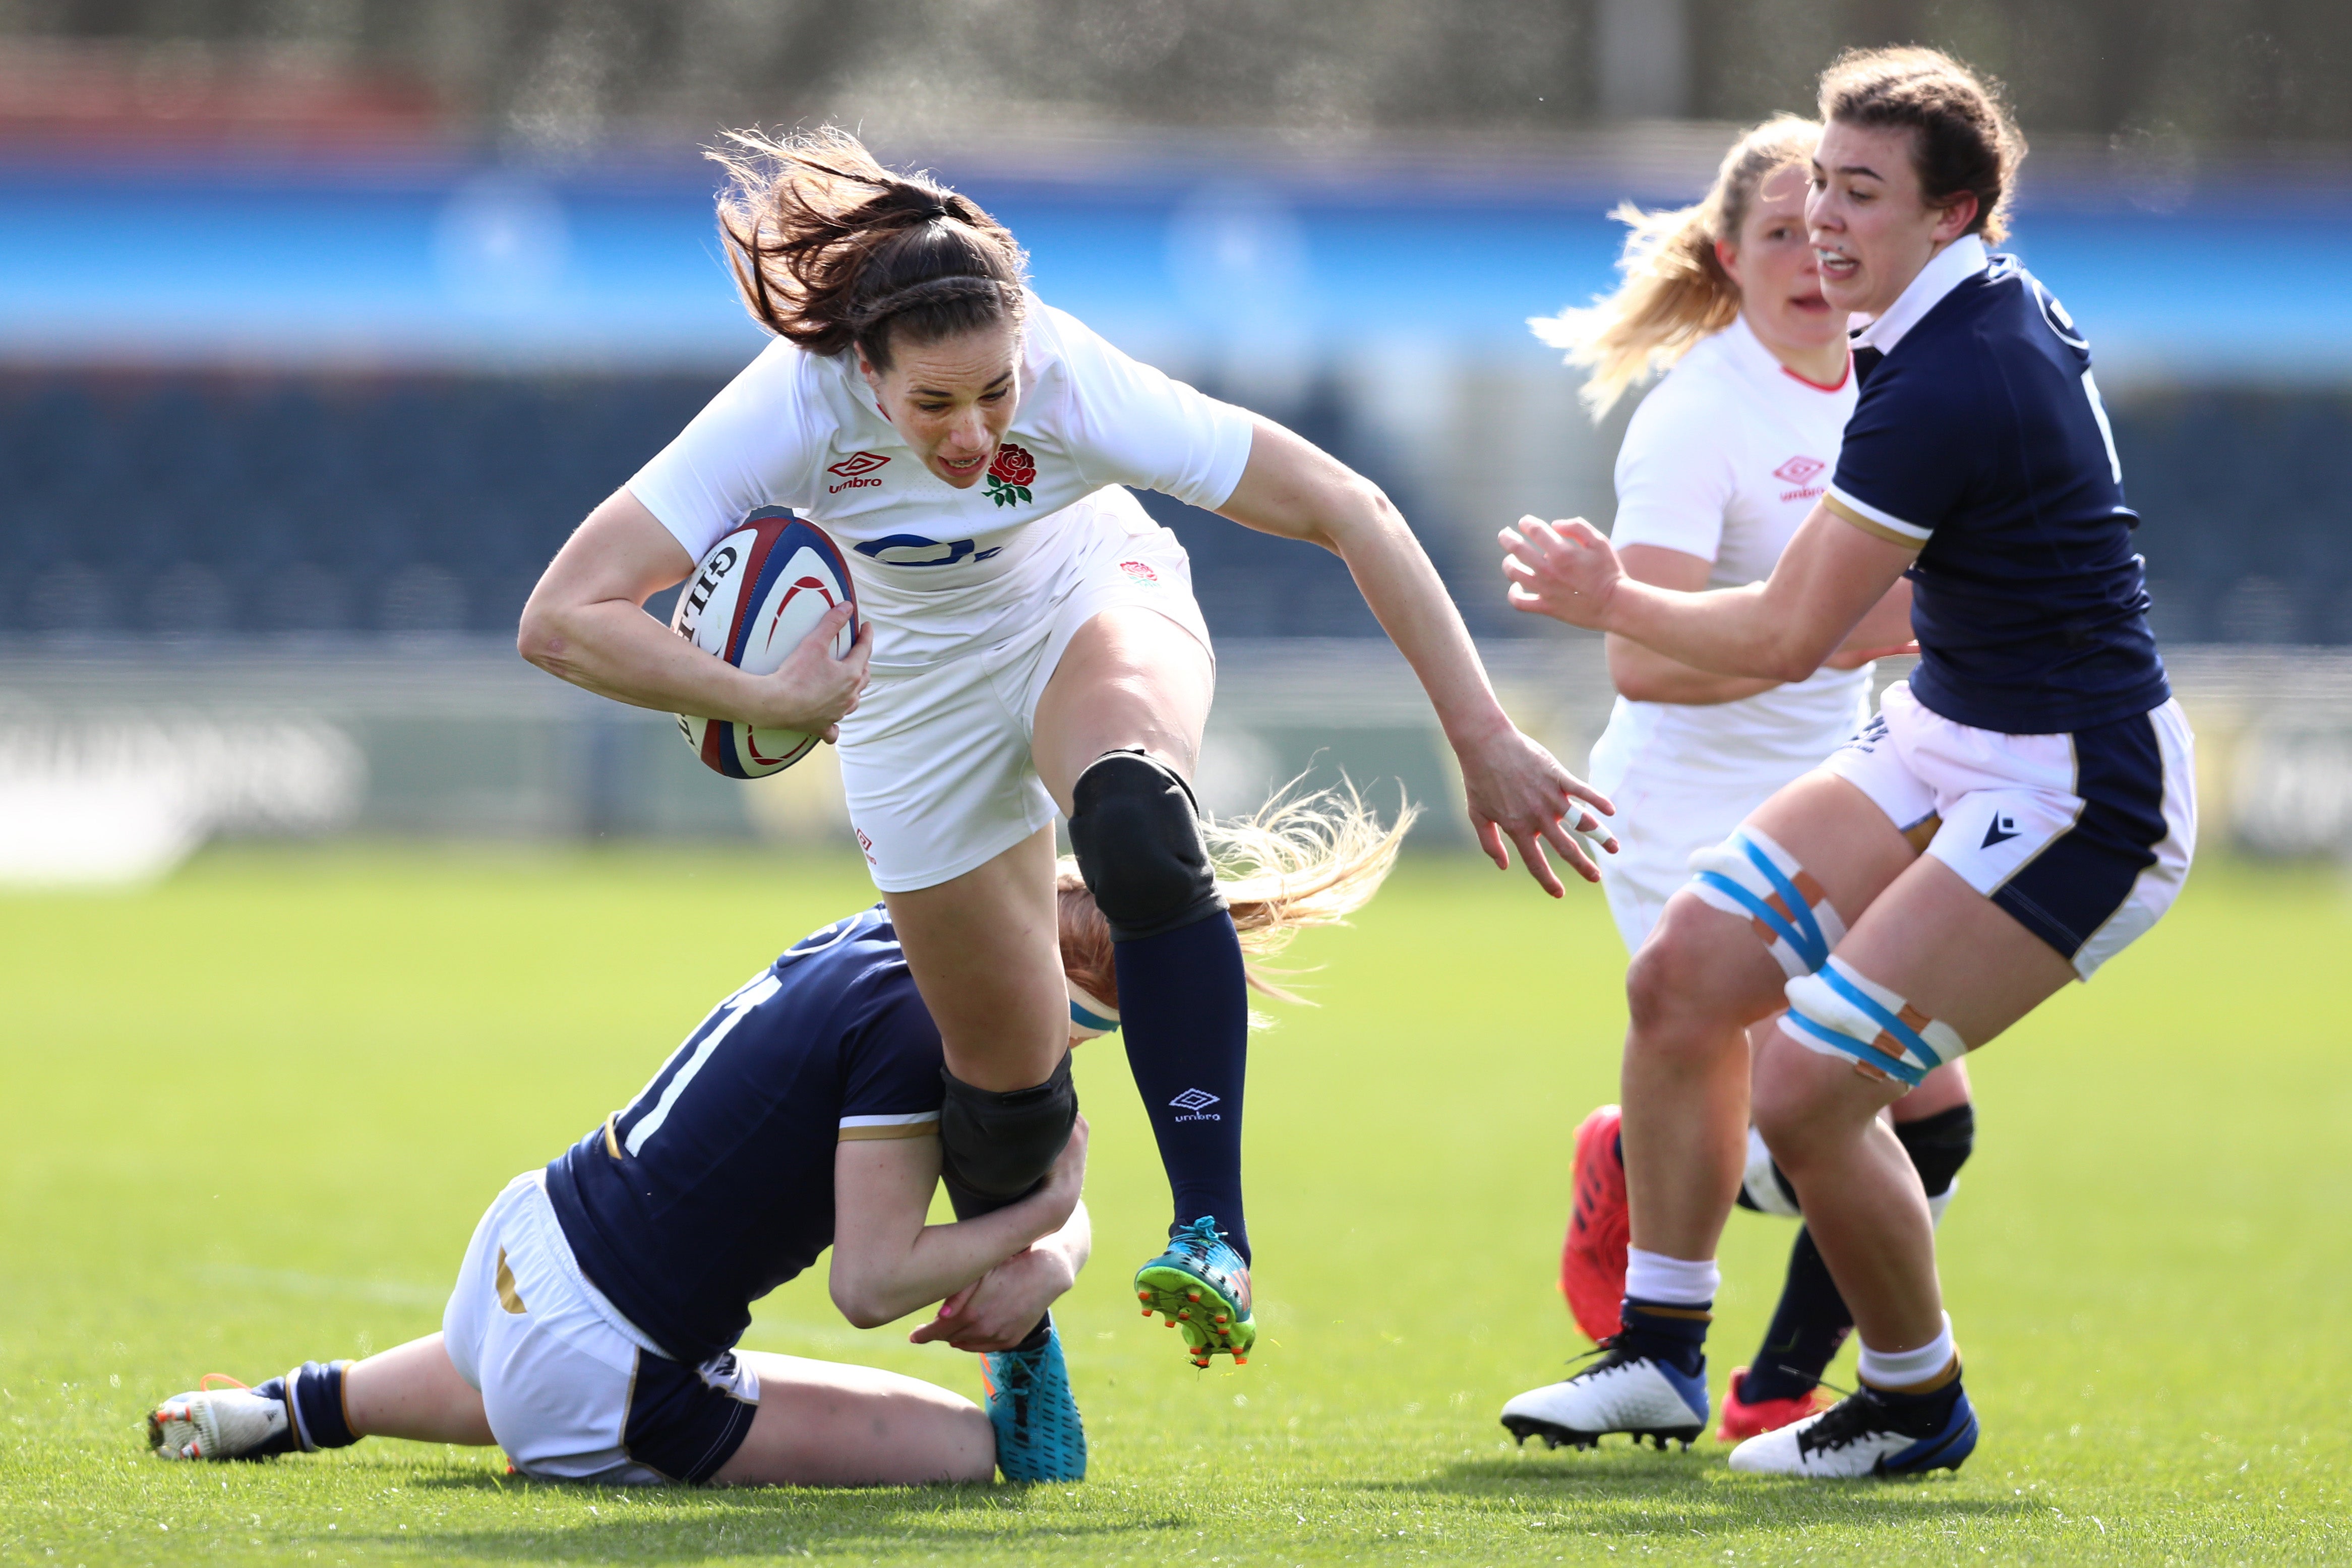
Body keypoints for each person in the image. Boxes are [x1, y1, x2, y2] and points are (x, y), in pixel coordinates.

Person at [514, 128, 1609, 1369]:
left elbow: (1346, 507)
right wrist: (764, 697)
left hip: (1083, 600)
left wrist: (1481, 735)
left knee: (1138, 822)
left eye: (996, 389)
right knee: (1004, 1087)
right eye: (933, 403)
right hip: (904, 697)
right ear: (860, 369)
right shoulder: (786, 405)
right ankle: (1023, 1326)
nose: (976, 430)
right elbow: (561, 620)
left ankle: (1212, 1232)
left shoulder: (1080, 385)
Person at [1495, 46, 2193, 1478]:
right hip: (1948, 734)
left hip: (2073, 789)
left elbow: (1786, 629)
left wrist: (1605, 594)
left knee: (1815, 1092)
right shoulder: (1936, 318)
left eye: (1860, 192)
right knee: (1683, 976)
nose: (1826, 218)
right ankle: (1660, 1351)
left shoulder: (1952, 369)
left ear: (1954, 215)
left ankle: (1910, 1402)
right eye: (1819, 182)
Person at [148, 785, 1414, 1482]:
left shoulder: (895, 925)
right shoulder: (943, 1029)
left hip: (520, 1249)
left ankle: (294, 1407)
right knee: (1002, 1459)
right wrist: (1040, 1225)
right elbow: (866, 1286)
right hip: (613, 1365)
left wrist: (1050, 1237)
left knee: (538, 1364)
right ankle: (328, 1408)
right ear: (1081, 1007)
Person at [1523, 115, 1975, 1443]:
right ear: (1728, 256)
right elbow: (1643, 660)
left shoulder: (1893, 382)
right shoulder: (1701, 413)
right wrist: (1850, 629)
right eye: (1775, 232)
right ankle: (1694, 1353)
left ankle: (1762, 1366)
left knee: (1923, 1126)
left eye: (1824, 227)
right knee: (1844, 1103)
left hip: (1842, 798)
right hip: (1686, 820)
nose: (1806, 254)